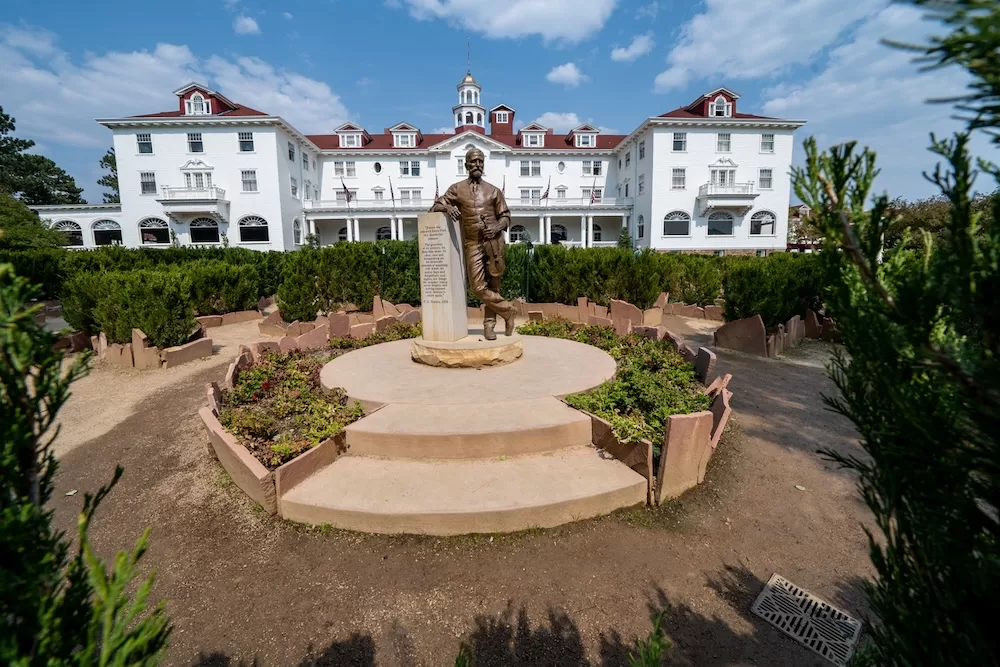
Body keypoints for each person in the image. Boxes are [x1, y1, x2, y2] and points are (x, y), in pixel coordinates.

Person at [430, 148, 516, 340]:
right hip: (472, 244)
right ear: (466, 164)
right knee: (477, 288)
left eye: (481, 162)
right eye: (474, 161)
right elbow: (434, 206)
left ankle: (489, 326)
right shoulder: (456, 189)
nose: (478, 165)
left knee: (494, 286)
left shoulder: (494, 191)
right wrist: (447, 207)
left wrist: (496, 227)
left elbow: (506, 217)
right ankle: (508, 310)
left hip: (494, 243)